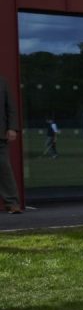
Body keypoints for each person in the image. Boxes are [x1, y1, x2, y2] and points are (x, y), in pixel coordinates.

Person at [0, 74, 21, 213]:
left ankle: (12, 203)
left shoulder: (2, 82)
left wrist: (12, 128)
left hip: (0, 134)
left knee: (4, 168)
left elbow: (11, 107)